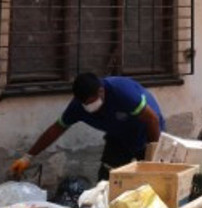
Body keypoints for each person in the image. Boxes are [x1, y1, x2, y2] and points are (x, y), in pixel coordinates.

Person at [10, 72, 165, 180]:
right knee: (108, 179)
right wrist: (28, 157)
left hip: (147, 131)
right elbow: (56, 129)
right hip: (119, 136)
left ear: (101, 92)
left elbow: (152, 120)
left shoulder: (122, 93)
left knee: (152, 178)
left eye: (91, 102)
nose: (89, 107)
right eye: (85, 104)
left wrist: (154, 153)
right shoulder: (78, 107)